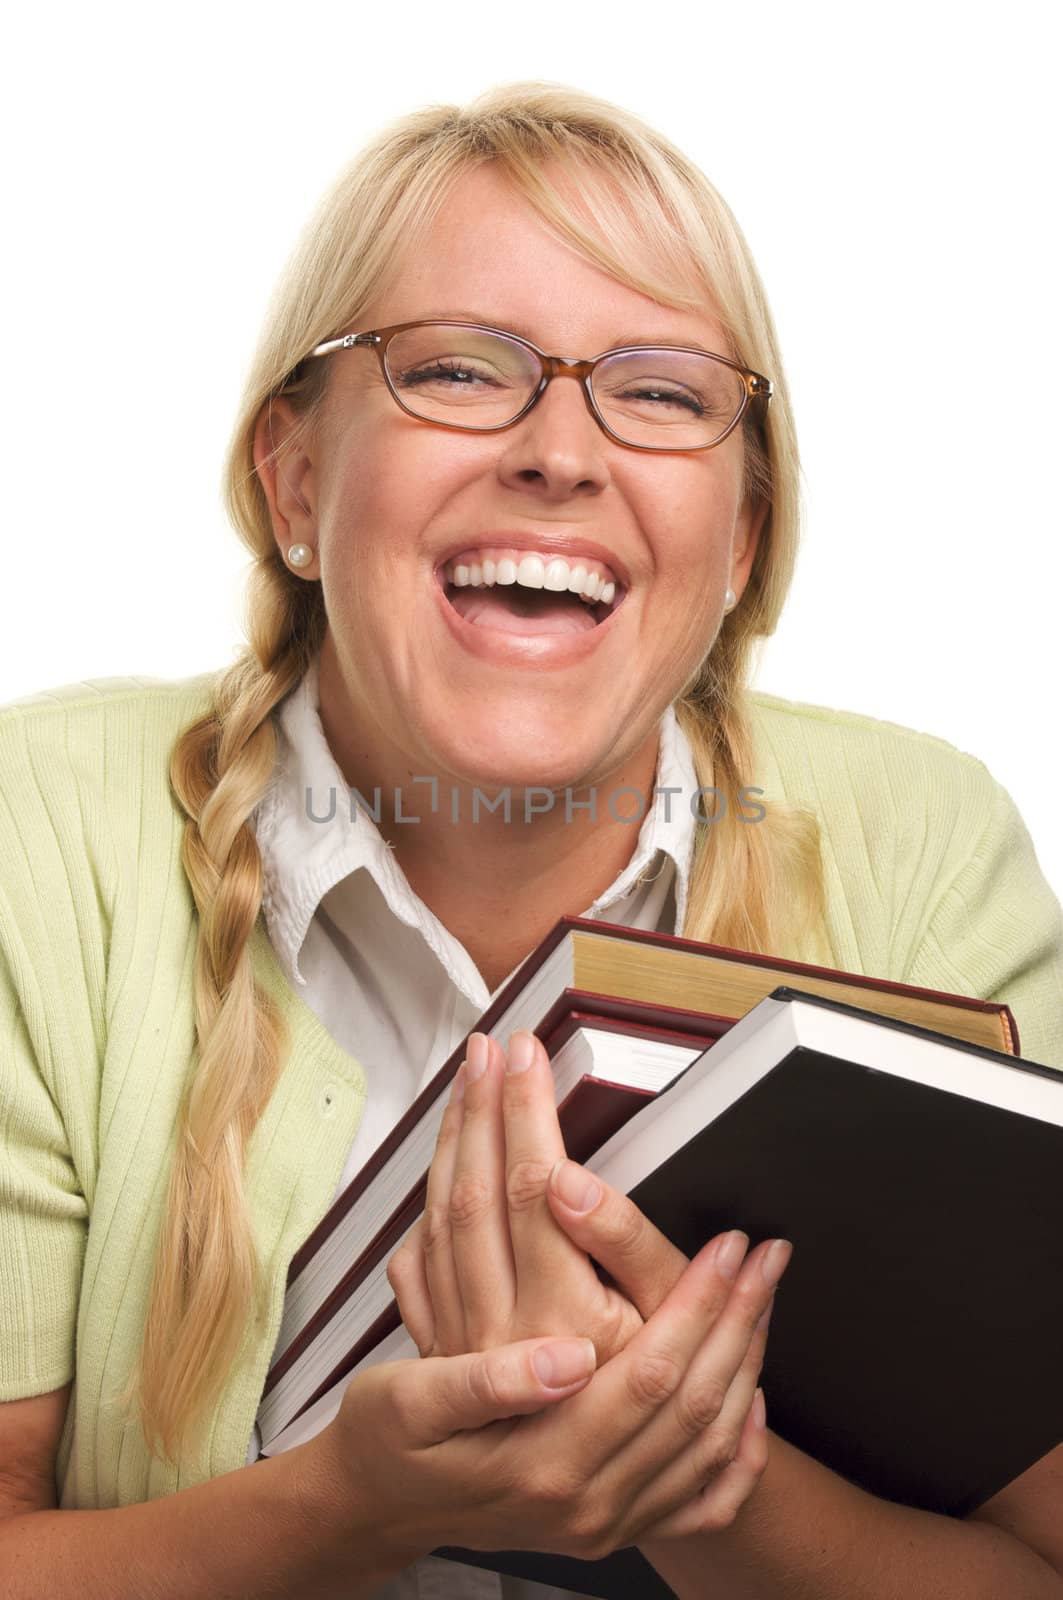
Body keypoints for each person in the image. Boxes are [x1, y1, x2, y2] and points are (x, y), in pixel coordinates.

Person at [1, 79, 1062, 1600]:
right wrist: (344, 1505)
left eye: (662, 392)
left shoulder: (928, 846)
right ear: (295, 482)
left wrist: (702, 1492)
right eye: (456, 369)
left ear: (742, 538)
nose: (561, 451)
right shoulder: (36, 830)